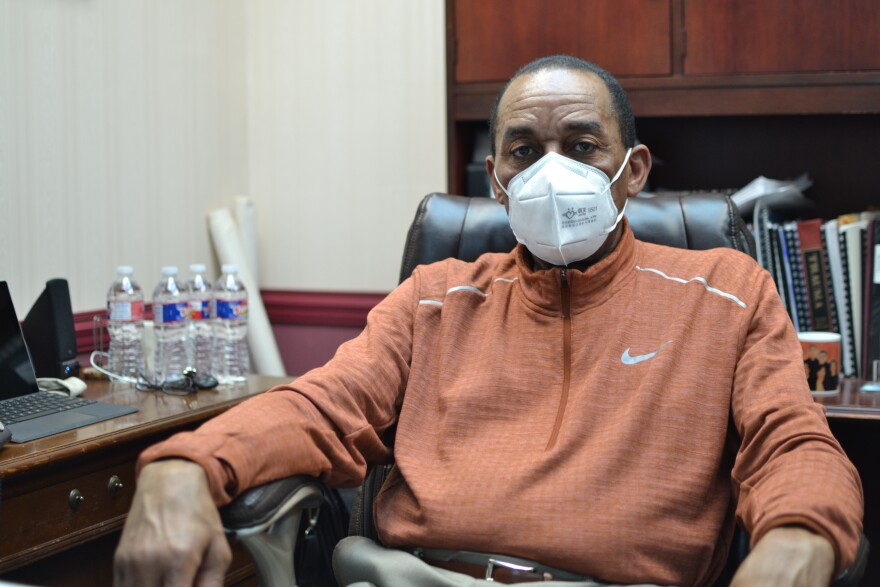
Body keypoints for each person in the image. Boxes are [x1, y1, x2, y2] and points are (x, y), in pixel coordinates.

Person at [114, 56, 863, 587]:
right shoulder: (434, 296)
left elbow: (792, 442)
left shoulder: (725, 290)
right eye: (525, 152)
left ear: (633, 171)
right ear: (499, 183)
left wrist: (799, 536)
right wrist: (186, 464)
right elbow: (322, 406)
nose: (551, 170)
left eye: (580, 145)